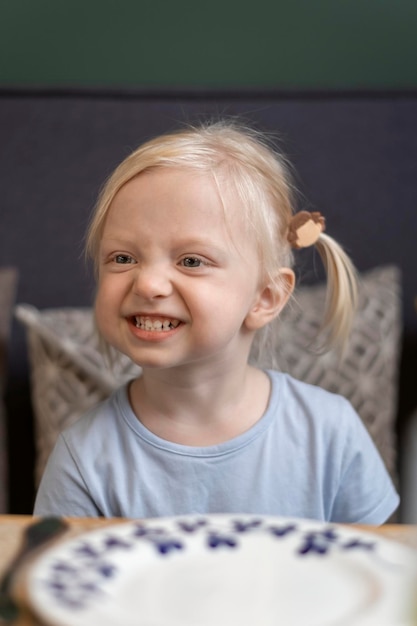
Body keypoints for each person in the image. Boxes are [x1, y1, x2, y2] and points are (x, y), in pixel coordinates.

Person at [34, 120, 399, 522]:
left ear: (265, 297)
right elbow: (60, 581)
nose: (149, 283)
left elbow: (382, 570)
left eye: (191, 261)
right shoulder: (82, 458)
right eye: (123, 258)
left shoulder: (330, 433)